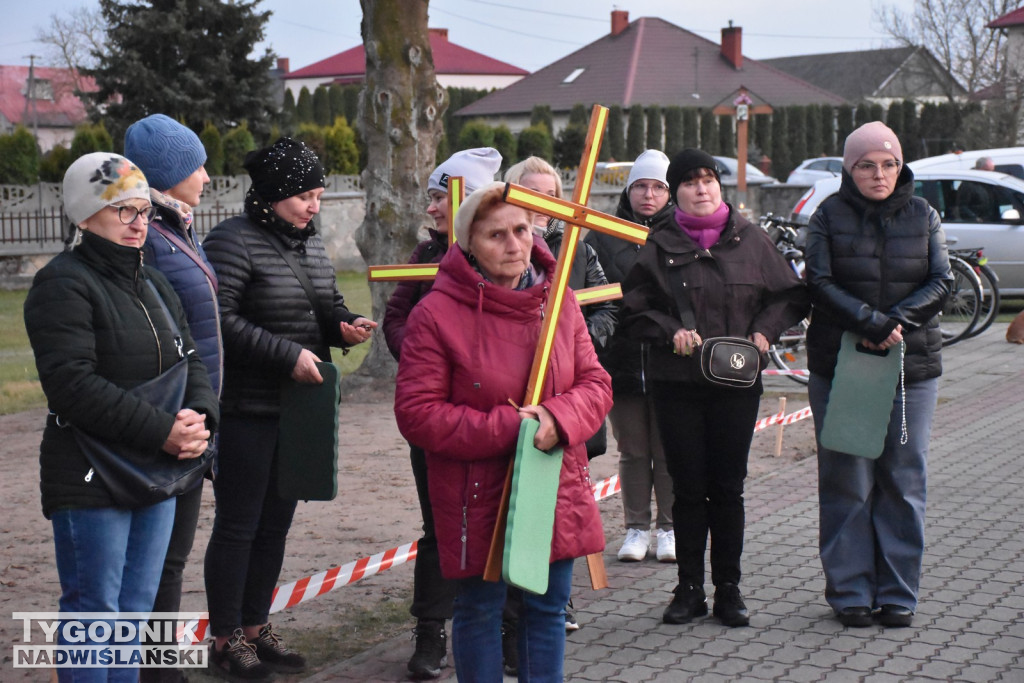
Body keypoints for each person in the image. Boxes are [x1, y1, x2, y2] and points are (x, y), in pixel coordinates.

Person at [394, 182, 612, 682]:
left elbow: (596, 383)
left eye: (520, 229)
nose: (514, 244)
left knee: (547, 609)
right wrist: (511, 427)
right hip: (477, 489)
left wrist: (558, 419)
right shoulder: (435, 314)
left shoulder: (557, 303)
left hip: (550, 483)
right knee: (479, 610)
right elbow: (418, 412)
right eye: (496, 235)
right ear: (468, 242)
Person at [24, 152, 218, 683]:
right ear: (85, 216)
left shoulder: (153, 282)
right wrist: (164, 431)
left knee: (136, 611)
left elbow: (191, 357)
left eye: (144, 212)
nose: (139, 225)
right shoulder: (62, 284)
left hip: (155, 469)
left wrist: (200, 416)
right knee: (95, 611)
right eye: (123, 212)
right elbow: (73, 386)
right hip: (91, 473)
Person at [202, 138, 376, 680]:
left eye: (318, 194)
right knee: (239, 526)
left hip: (297, 410)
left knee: (275, 525)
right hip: (247, 408)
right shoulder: (230, 241)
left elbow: (320, 302)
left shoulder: (309, 242)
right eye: (304, 195)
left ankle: (257, 628)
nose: (314, 206)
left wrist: (341, 325)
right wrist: (286, 355)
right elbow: (219, 319)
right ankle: (225, 639)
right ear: (274, 194)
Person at [620, 148, 808, 628]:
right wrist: (669, 330)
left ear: (719, 188)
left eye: (708, 180)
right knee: (687, 489)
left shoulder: (751, 240)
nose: (701, 188)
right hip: (676, 383)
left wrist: (765, 331)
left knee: (728, 488)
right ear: (676, 192)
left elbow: (789, 295)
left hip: (735, 384)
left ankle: (729, 589)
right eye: (689, 182)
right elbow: (635, 306)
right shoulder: (658, 245)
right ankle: (688, 590)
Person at [804, 121, 952, 628]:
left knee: (904, 479)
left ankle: (898, 593)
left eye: (888, 164)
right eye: (867, 165)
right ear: (850, 169)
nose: (879, 174)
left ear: (900, 166)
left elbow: (942, 280)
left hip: (914, 367)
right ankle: (850, 592)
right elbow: (818, 282)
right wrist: (868, 322)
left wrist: (896, 324)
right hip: (843, 367)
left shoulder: (924, 214)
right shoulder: (827, 216)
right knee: (847, 479)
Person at [381, 146, 502, 680]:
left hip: (498, 413)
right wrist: (427, 357)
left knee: (507, 520)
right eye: (431, 196)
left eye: (439, 196)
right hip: (437, 414)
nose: (430, 208)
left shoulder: (504, 254)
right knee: (440, 523)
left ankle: (511, 629)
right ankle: (430, 631)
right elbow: (397, 316)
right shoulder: (423, 257)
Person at [124, 113, 220, 683]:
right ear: (169, 173)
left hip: (193, 414)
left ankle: (160, 669)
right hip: (167, 420)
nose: (207, 176)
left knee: (172, 554)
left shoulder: (179, 230)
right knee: (157, 556)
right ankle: (156, 672)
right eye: (197, 166)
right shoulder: (152, 239)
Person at [585, 149, 677, 564]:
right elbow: (589, 293)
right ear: (628, 189)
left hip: (668, 361)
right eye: (641, 185)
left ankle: (671, 528)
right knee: (634, 449)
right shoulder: (603, 235)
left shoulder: (680, 233)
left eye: (658, 186)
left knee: (668, 448)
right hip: (620, 360)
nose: (649, 194)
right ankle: (636, 528)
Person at [955, 156, 996, 221]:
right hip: (977, 223)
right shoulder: (968, 185)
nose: (991, 174)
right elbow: (962, 207)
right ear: (979, 169)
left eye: (992, 171)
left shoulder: (988, 183)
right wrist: (975, 218)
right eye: (988, 170)